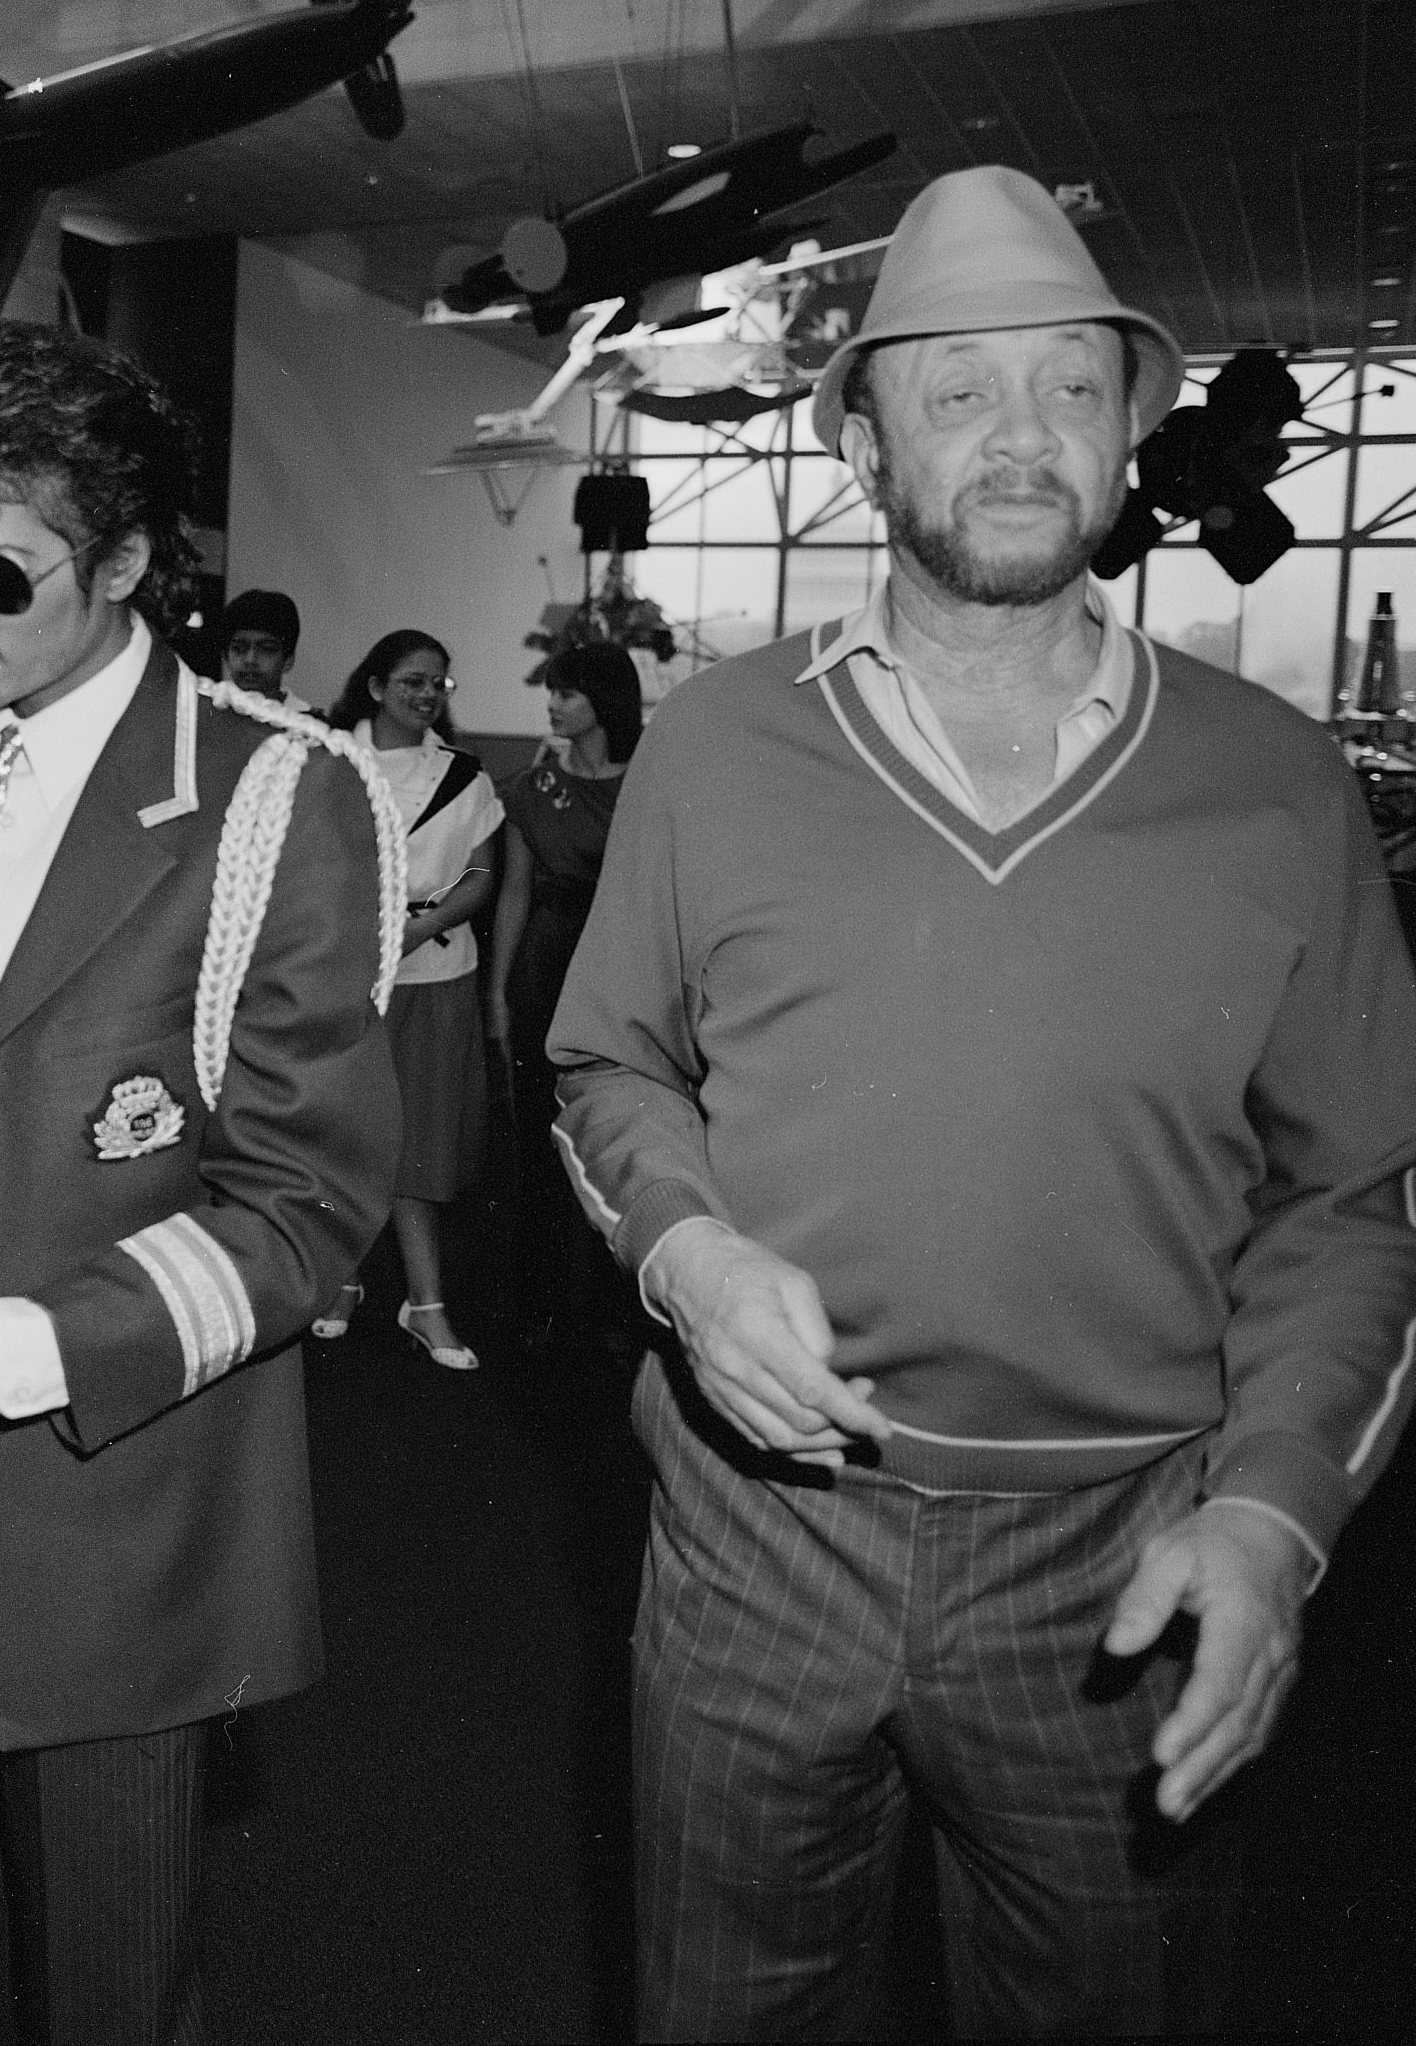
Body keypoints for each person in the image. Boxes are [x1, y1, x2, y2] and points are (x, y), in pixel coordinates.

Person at [548, 166, 1416, 2037]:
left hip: (1115, 1566)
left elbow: (1352, 1207)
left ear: (1125, 439)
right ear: (863, 440)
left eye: (1067, 390)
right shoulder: (712, 748)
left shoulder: (1275, 792)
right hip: (751, 1539)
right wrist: (685, 1255)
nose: (1017, 438)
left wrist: (1270, 1524)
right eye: (953, 390)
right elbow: (606, 1065)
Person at [0, 323, 402, 2046]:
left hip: (103, 1484)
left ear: (121, 566)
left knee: (108, 1990)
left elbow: (300, 1219)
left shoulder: (274, 796)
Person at [316, 630, 502, 1362]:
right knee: (345, 1131)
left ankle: (425, 1306)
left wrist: (421, 929)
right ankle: (342, 1279)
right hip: (341, 970)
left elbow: (481, 875)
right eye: (411, 684)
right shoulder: (327, 760)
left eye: (437, 686)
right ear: (374, 687)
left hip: (431, 975)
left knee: (418, 1139)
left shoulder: (464, 776)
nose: (425, 697)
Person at [486, 640, 642, 1342]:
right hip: (544, 965)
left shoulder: (647, 783)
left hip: (619, 966)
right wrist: (497, 993)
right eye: (550, 690)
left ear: (603, 701)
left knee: (619, 1135)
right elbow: (513, 894)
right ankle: (537, 1311)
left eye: (567, 693)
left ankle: (610, 1312)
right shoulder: (527, 790)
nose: (551, 704)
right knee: (537, 1144)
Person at [217, 587, 309, 710]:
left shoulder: (309, 724)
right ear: (226, 656)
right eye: (239, 649)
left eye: (266, 649)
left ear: (288, 660)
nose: (250, 660)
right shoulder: (208, 712)